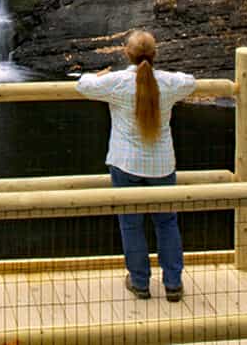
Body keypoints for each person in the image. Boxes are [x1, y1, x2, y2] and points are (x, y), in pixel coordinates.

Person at [74, 30, 196, 302]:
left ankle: (140, 282)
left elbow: (82, 85)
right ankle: (173, 283)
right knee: (167, 223)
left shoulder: (117, 83)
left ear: (125, 53)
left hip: (125, 163)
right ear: (154, 55)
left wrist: (99, 76)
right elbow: (190, 81)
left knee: (131, 224)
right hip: (162, 165)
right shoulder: (168, 83)